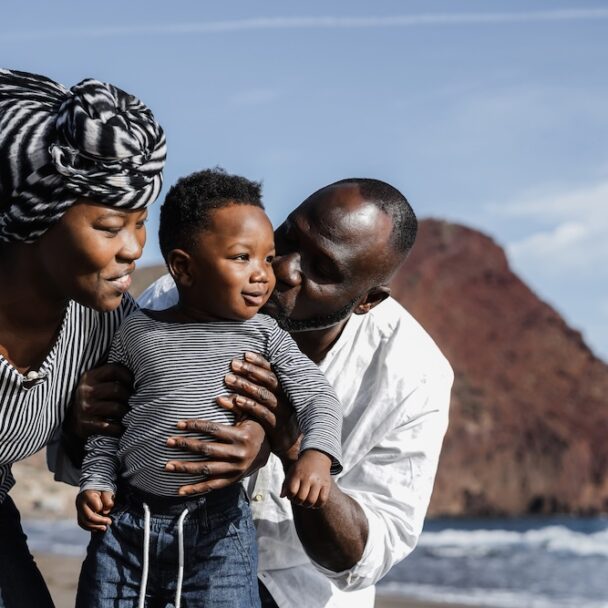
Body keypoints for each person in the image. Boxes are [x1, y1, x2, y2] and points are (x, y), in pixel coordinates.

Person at [137, 178, 454, 607]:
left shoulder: (414, 376)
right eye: (286, 238)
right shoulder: (181, 298)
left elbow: (363, 556)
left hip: (299, 591)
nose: (283, 269)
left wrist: (292, 448)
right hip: (167, 563)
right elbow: (107, 458)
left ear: (367, 300)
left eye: (320, 270)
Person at [75, 169, 343, 608]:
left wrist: (317, 454)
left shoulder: (266, 335)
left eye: (267, 257)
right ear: (183, 267)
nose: (263, 275)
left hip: (218, 530)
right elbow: (109, 422)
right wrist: (96, 478)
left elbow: (318, 394)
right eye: (241, 258)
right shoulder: (137, 332)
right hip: (124, 526)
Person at [0, 68, 166, 607]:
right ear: (35, 217)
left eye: (140, 223)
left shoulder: (107, 324)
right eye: (110, 226)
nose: (133, 249)